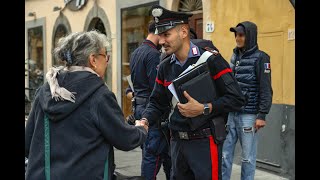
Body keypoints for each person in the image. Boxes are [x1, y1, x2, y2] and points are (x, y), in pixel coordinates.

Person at [25, 31, 148, 180]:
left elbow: (28, 143)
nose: (107, 61)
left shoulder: (45, 91)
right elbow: (125, 139)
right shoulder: (100, 95)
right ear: (93, 60)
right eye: (105, 56)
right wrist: (141, 129)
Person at [141, 5, 245, 180]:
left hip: (204, 142)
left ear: (183, 32)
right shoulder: (165, 66)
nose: (161, 41)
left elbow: (237, 99)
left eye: (166, 35)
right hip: (177, 143)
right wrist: (144, 120)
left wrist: (205, 108)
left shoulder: (211, 59)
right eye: (160, 36)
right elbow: (157, 102)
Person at [222, 21, 273, 180]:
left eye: (241, 35)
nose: (238, 38)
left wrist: (262, 115)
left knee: (248, 158)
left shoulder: (261, 58)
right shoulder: (235, 55)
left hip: (248, 116)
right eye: (236, 35)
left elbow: (266, 88)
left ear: (249, 36)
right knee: (224, 156)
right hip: (231, 113)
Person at [129, 21, 171, 180]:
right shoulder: (153, 55)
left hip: (139, 106)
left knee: (149, 151)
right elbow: (157, 87)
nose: (163, 40)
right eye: (163, 34)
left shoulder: (136, 52)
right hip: (150, 108)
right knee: (153, 153)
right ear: (157, 33)